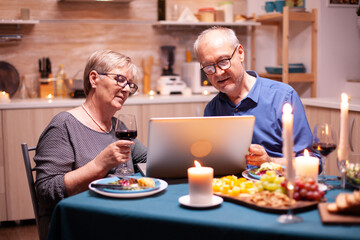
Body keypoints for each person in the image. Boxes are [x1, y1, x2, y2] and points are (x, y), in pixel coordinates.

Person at [34, 50, 147, 240]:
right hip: (81, 225)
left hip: (119, 217)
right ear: (94, 79)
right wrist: (99, 165)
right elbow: (46, 191)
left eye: (130, 84)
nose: (126, 89)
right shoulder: (64, 125)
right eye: (120, 79)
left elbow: (149, 160)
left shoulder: (119, 127)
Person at [194, 26, 315, 167]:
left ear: (240, 53)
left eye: (223, 61)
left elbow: (313, 162)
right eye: (209, 66)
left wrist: (270, 162)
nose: (218, 73)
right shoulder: (212, 109)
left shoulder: (283, 97)